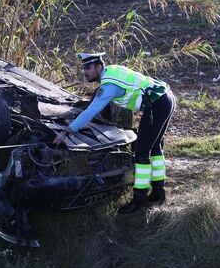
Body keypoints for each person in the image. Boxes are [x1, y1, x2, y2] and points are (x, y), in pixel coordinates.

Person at [53, 52, 175, 212]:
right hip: (166, 98)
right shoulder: (112, 71)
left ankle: (139, 200)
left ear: (99, 66)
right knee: (155, 147)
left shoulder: (108, 85)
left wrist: (68, 131)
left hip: (156, 105)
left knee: (141, 153)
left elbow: (91, 111)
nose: (85, 72)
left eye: (88, 67)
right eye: (83, 68)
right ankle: (158, 194)